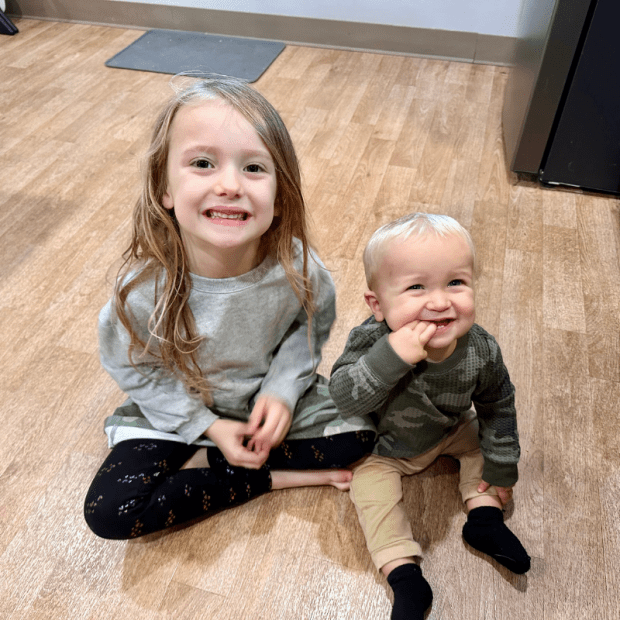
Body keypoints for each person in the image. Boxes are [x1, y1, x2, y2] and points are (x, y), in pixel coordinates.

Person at [84, 76, 375, 540]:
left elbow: (309, 329)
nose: (229, 185)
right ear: (165, 187)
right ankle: (266, 478)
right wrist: (206, 426)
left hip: (260, 406)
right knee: (112, 512)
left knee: (363, 434)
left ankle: (213, 465)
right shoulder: (140, 289)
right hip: (178, 416)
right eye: (203, 163)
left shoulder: (299, 268)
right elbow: (135, 370)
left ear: (280, 195)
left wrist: (280, 392)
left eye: (254, 168)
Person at [329, 213, 530, 620]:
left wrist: (503, 464)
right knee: (368, 488)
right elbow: (344, 398)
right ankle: (404, 576)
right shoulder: (370, 340)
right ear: (378, 305)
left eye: (456, 283)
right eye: (416, 287)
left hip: (450, 429)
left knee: (482, 447)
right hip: (385, 447)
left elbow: (497, 405)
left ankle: (484, 518)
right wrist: (390, 358)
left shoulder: (480, 349)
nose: (440, 302)